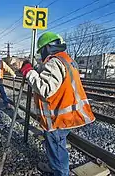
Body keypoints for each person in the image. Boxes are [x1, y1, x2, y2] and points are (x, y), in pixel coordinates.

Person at [20, 32, 95, 176]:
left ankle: (60, 171)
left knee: (57, 146)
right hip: (67, 113)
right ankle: (55, 166)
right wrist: (33, 68)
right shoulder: (65, 59)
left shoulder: (54, 62)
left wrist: (29, 72)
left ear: (47, 48)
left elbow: (45, 88)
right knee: (54, 145)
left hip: (58, 118)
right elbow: (48, 74)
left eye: (41, 51)